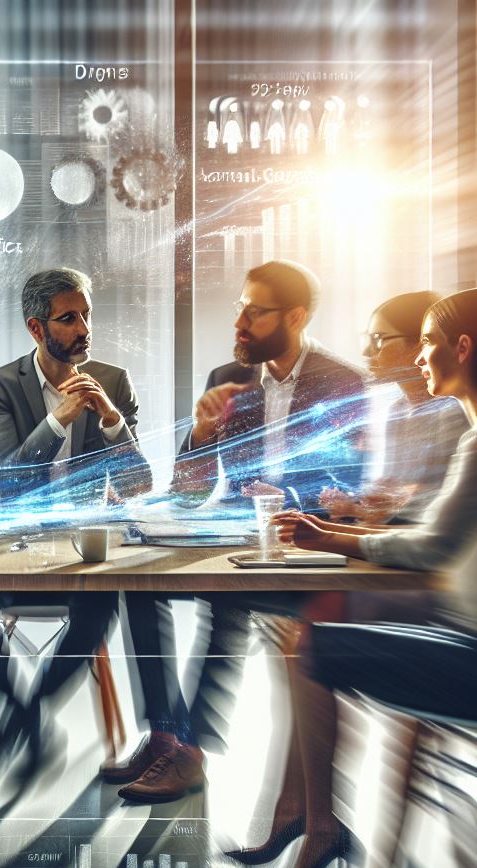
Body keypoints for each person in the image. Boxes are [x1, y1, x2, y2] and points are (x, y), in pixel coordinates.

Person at [249, 288, 477, 868]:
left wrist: (339, 536)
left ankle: (314, 822)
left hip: (452, 624)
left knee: (307, 643)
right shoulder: (429, 421)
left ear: (462, 347)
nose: (421, 357)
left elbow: (434, 541)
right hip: (442, 608)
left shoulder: (467, 428)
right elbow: (423, 515)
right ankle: (302, 815)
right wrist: (360, 516)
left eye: (422, 341)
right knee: (302, 633)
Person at [113, 260, 369, 802]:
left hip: (300, 544)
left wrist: (288, 506)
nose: (241, 321)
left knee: (227, 602)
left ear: (295, 316)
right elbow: (186, 489)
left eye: (256, 310)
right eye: (240, 307)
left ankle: (192, 753)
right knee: (133, 580)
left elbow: (349, 487)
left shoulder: (343, 382)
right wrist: (202, 434)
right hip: (228, 536)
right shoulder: (225, 380)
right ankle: (165, 734)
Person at [0, 267, 153, 779]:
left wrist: (111, 419)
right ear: (36, 329)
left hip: (87, 538)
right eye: (68, 318)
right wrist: (58, 418)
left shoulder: (113, 382)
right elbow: (11, 481)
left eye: (86, 315)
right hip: (14, 536)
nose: (84, 327)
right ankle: (28, 717)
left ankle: (26, 715)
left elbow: (138, 485)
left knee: (99, 606)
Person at [320, 290, 467, 525]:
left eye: (379, 339)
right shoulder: (397, 410)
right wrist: (357, 501)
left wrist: (366, 508)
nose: (367, 352)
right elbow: (392, 493)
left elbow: (448, 500)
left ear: (419, 345)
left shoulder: (454, 411)